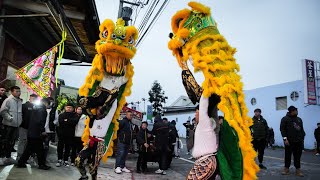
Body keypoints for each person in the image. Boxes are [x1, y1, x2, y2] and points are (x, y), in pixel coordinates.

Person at [75, 102, 117, 180]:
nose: (100, 111)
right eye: (98, 109)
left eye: (102, 109)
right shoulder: (91, 117)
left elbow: (113, 108)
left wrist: (115, 97)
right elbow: (86, 107)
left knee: (93, 166)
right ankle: (84, 176)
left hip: (99, 144)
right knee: (78, 160)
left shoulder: (107, 119)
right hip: (90, 142)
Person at [16, 98, 51, 170]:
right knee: (40, 150)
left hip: (32, 132)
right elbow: (40, 121)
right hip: (37, 133)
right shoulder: (42, 110)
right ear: (46, 103)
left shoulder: (35, 108)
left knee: (29, 149)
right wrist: (42, 131)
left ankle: (21, 162)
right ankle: (41, 164)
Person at [280, 106, 305, 177]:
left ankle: (298, 170)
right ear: (292, 111)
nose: (297, 112)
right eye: (295, 110)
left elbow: (302, 130)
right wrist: (285, 139)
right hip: (289, 142)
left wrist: (302, 138)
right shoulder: (285, 119)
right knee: (288, 155)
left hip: (298, 141)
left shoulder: (299, 119)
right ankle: (286, 169)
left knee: (297, 156)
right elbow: (282, 129)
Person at [0, 86, 22, 164]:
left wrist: (19, 121)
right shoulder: (8, 100)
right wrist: (10, 118)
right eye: (16, 91)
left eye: (19, 91)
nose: (19, 93)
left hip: (16, 125)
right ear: (12, 92)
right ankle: (2, 158)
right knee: (5, 141)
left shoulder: (19, 101)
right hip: (8, 125)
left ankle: (8, 157)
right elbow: (3, 111)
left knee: (11, 142)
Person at [56, 103, 79, 167]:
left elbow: (74, 122)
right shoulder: (61, 115)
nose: (68, 108)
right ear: (65, 108)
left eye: (70, 107)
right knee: (60, 147)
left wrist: (66, 120)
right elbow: (61, 122)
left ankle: (66, 160)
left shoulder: (75, 115)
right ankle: (59, 159)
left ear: (73, 108)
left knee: (68, 147)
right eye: (67, 107)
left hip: (70, 134)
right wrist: (68, 121)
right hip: (61, 134)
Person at [17, 94, 38, 160]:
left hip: (32, 128)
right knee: (22, 141)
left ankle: (25, 158)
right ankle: (19, 156)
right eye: (32, 98)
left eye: (35, 99)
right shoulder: (24, 106)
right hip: (24, 126)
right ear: (30, 98)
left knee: (29, 142)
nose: (33, 100)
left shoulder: (37, 107)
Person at [0, 85, 7, 164]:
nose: (3, 92)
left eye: (4, 90)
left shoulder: (6, 98)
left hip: (3, 121)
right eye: (1, 90)